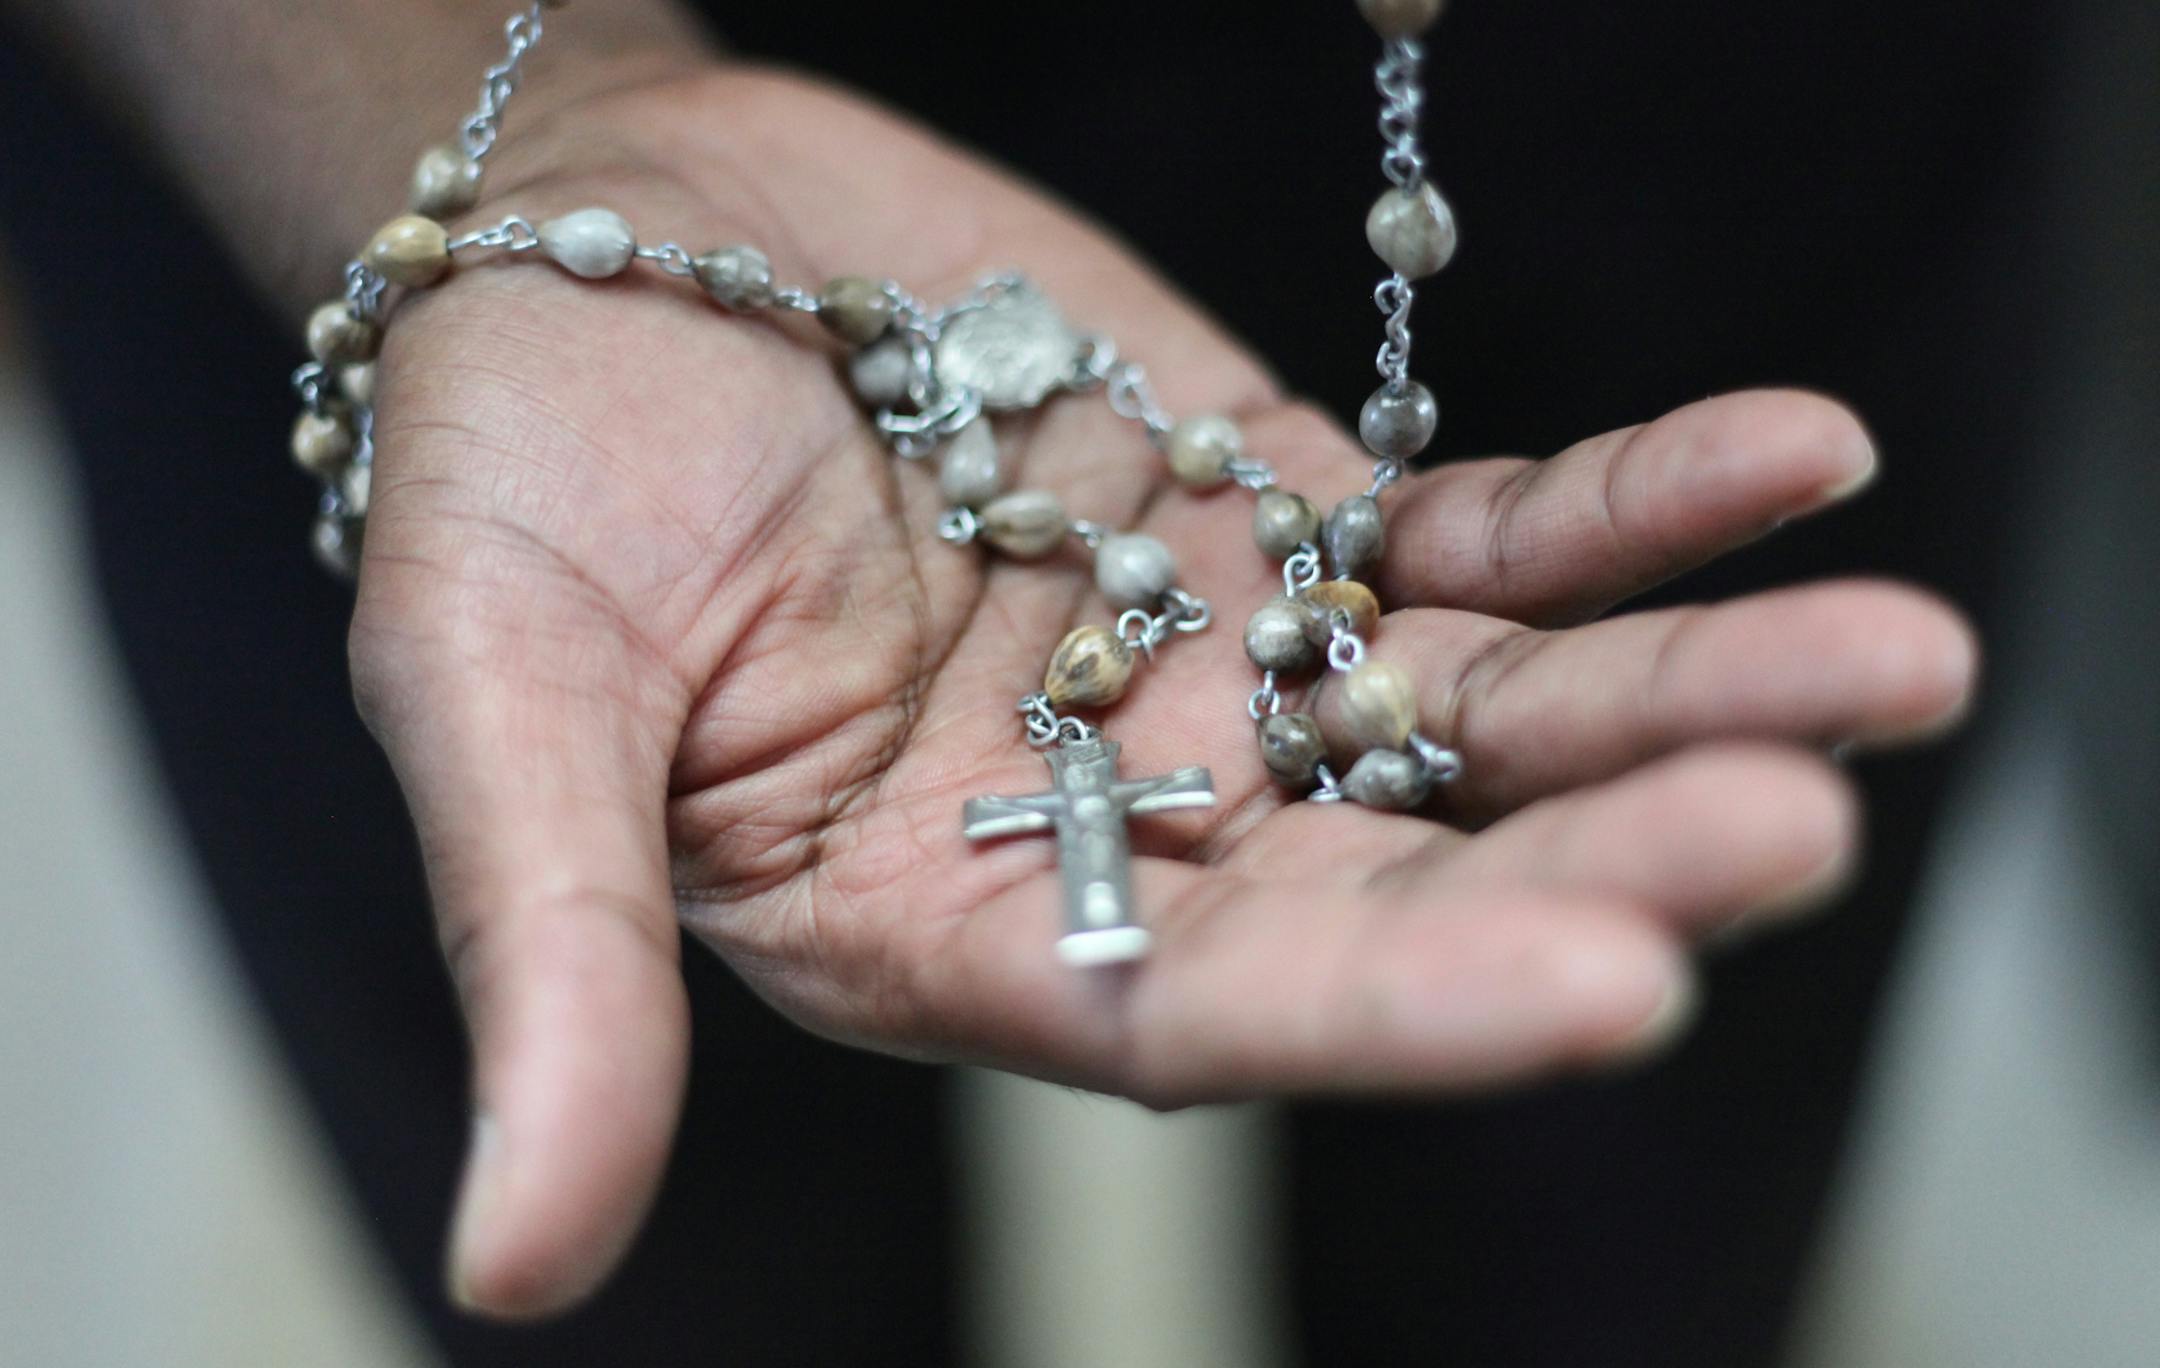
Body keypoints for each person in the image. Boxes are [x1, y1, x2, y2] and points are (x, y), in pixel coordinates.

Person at [2, 1, 2033, 1363]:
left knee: (1603, 1215)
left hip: (1683, 101)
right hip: (401, 116)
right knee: (674, 1302)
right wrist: (489, 105)